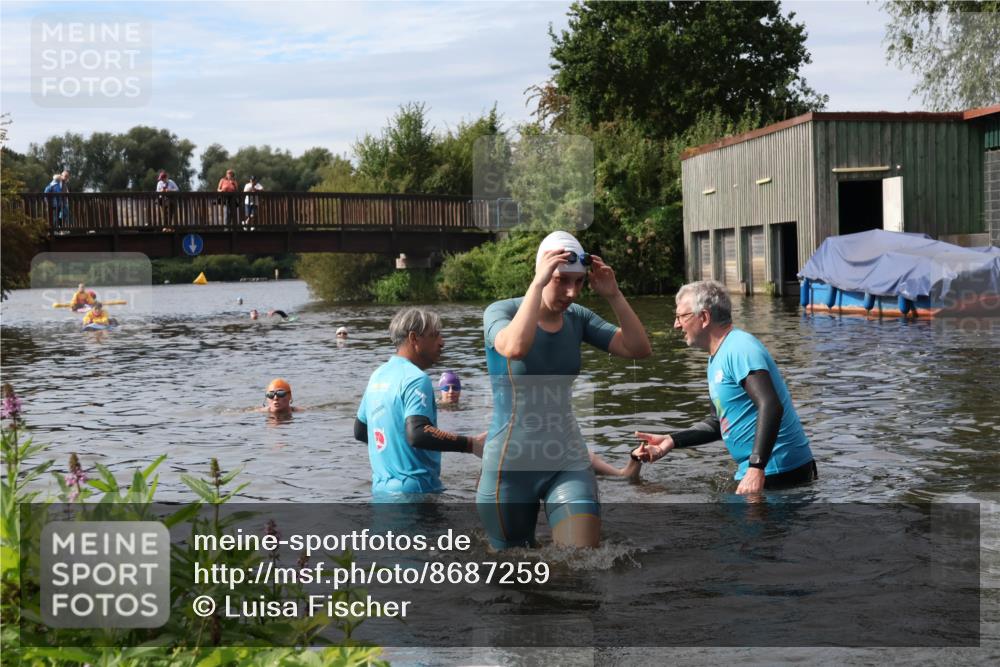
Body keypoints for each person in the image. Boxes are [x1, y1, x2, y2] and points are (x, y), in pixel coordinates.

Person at [478, 230, 652, 549]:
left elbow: (639, 348)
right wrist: (537, 285)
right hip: (511, 466)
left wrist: (614, 295)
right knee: (513, 576)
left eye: (580, 281)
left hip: (568, 459)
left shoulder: (578, 319)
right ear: (542, 274)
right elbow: (515, 347)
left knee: (582, 564)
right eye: (561, 280)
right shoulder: (500, 312)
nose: (572, 292)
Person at [632, 280, 817, 494]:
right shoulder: (716, 358)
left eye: (682, 316)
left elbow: (771, 405)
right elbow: (717, 423)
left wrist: (756, 467)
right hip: (763, 470)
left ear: (704, 318)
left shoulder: (740, 348)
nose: (676, 325)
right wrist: (671, 440)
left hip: (779, 471)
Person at [354, 307, 485, 496]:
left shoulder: (378, 375)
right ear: (414, 338)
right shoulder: (416, 378)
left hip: (381, 491)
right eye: (435, 335)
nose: (442, 342)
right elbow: (418, 433)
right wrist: (470, 444)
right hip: (416, 492)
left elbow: (360, 430)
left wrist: (397, 453)